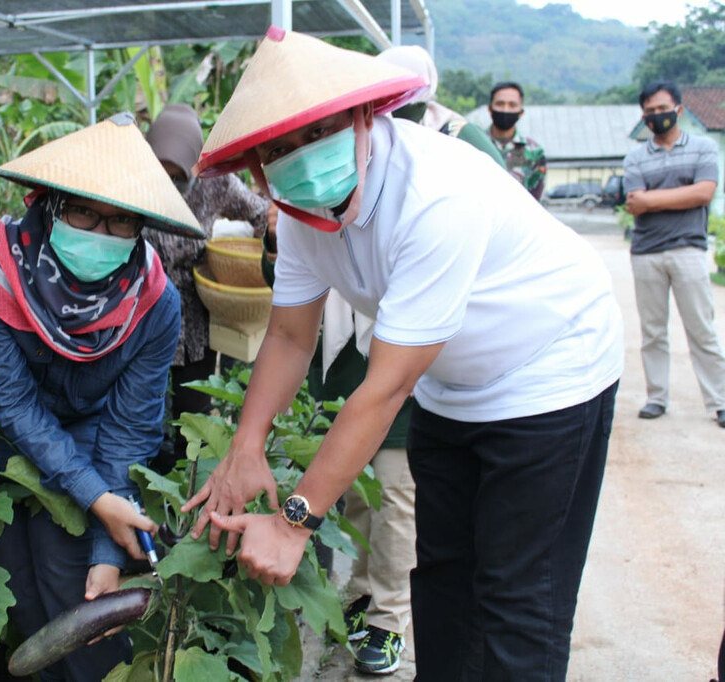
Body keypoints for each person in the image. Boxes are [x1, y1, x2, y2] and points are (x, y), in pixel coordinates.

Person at [181, 28, 623, 681]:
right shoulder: (301, 211)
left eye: (315, 132)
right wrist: (246, 445)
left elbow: (382, 391)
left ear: (363, 116)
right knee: (444, 580)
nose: (299, 158)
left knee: (517, 599)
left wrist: (295, 520)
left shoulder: (434, 194)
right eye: (277, 150)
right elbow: (289, 336)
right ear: (253, 170)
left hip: (552, 370)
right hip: (451, 387)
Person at [0, 113, 204, 681]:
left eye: (120, 220)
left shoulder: (156, 302)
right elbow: (12, 403)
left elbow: (130, 428)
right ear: (49, 204)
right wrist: (96, 497)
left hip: (96, 436)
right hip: (1, 435)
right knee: (17, 574)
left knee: (79, 578)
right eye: (82, 211)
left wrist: (106, 548)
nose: (99, 231)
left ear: (141, 226)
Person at [144, 104, 270, 471]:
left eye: (178, 175)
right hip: (139, 311)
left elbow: (261, 215)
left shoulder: (215, 183)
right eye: (161, 173)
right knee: (141, 408)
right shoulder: (135, 178)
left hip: (193, 314)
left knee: (193, 410)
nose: (169, 183)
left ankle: (190, 484)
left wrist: (251, 262)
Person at [623, 81, 725, 428]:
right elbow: (634, 204)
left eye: (662, 108)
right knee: (653, 331)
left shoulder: (703, 147)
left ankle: (719, 401)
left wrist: (653, 199)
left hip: (688, 249)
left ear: (678, 110)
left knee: (701, 329)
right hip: (647, 252)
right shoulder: (635, 156)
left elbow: (705, 193)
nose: (657, 116)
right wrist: (683, 193)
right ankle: (656, 398)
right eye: (650, 111)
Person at [487, 81, 547, 201]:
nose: (505, 109)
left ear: (520, 113)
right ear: (490, 109)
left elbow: (536, 198)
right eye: (500, 104)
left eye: (512, 105)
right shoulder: (473, 144)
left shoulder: (534, 151)